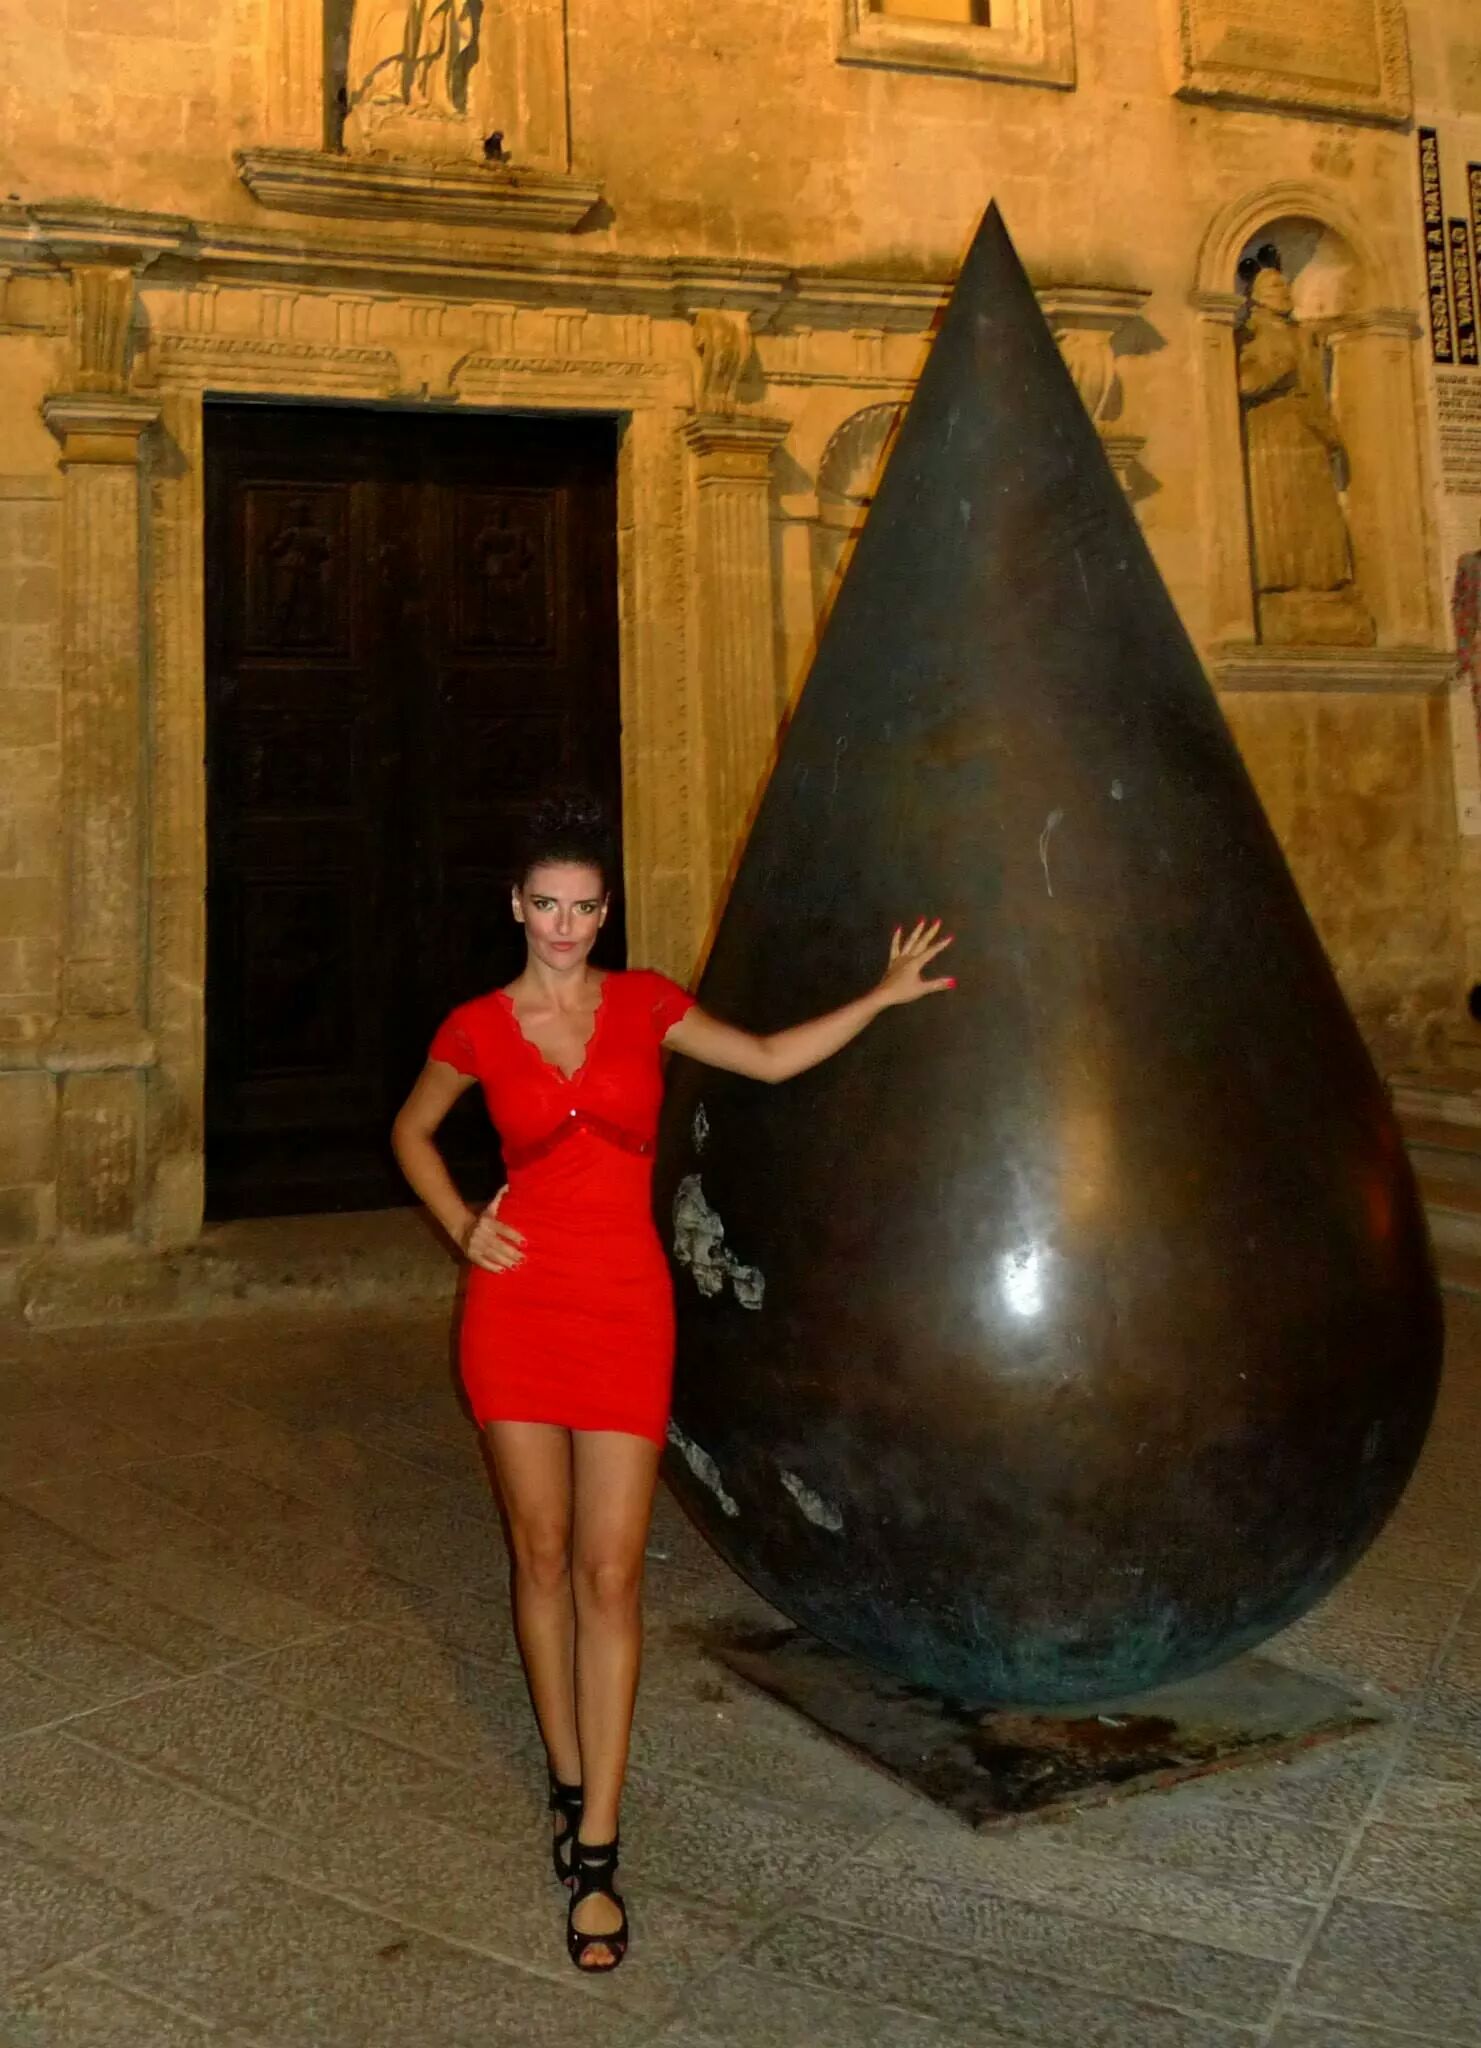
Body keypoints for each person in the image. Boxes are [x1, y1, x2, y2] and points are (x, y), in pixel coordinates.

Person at [390, 791, 954, 1972]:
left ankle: (597, 1843)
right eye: (545, 905)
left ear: (604, 912)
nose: (564, 925)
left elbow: (767, 1057)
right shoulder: (476, 1024)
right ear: (515, 907)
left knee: (610, 1571)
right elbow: (411, 1129)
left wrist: (880, 995)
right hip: (515, 1310)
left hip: (623, 1309)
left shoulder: (646, 1003)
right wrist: (460, 1223)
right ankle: (564, 1773)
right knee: (540, 1553)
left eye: (582, 906)